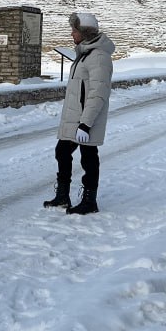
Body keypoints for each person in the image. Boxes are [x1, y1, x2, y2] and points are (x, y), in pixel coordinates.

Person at [43, 11, 115, 215]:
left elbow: (98, 93)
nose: (72, 34)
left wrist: (86, 123)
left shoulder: (98, 57)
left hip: (86, 120)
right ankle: (63, 195)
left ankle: (89, 200)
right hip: (75, 118)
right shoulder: (84, 54)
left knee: (89, 157)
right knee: (62, 152)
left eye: (74, 30)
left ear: (85, 32)